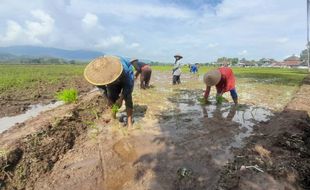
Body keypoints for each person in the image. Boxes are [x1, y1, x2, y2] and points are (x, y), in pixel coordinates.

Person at [84, 56, 134, 127]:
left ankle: (129, 122)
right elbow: (101, 87)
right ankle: (113, 116)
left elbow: (128, 86)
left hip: (124, 78)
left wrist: (121, 98)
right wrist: (107, 99)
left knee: (128, 97)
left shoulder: (124, 69)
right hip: (111, 80)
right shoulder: (98, 76)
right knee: (111, 96)